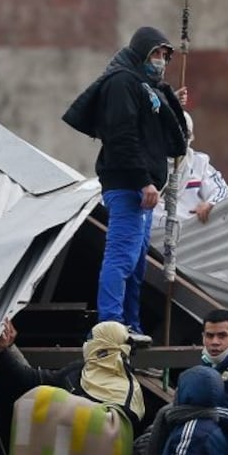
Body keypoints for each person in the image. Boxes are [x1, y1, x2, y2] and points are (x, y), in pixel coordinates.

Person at [63, 26, 188, 338]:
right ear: (141, 52)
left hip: (142, 188)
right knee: (122, 257)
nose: (160, 60)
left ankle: (129, 324)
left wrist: (169, 98)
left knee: (136, 264)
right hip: (130, 185)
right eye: (156, 53)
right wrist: (142, 180)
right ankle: (111, 324)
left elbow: (164, 135)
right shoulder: (122, 83)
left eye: (164, 55)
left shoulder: (146, 86)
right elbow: (123, 136)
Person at [0, 320, 146, 435]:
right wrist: (7, 349)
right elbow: (33, 380)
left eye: (91, 339)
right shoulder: (79, 371)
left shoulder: (129, 396)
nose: (87, 344)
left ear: (100, 347)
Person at [151, 111, 228, 229]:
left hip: (192, 236)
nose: (179, 139)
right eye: (174, 133)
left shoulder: (199, 163)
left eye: (186, 134)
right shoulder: (144, 162)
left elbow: (222, 192)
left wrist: (210, 204)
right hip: (151, 237)